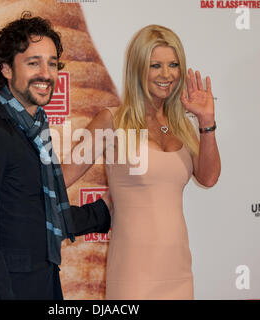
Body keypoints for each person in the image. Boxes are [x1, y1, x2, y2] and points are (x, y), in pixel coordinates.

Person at [0, 13, 112, 300]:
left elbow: (35, 214)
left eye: (52, 64)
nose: (46, 74)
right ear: (7, 70)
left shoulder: (34, 131)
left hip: (42, 285)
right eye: (33, 62)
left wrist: (103, 213)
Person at [61, 24, 221, 299]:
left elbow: (208, 177)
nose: (167, 74)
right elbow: (61, 178)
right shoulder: (111, 121)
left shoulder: (181, 125)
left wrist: (206, 123)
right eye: (155, 65)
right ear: (137, 69)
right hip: (133, 273)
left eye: (173, 64)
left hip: (178, 270)